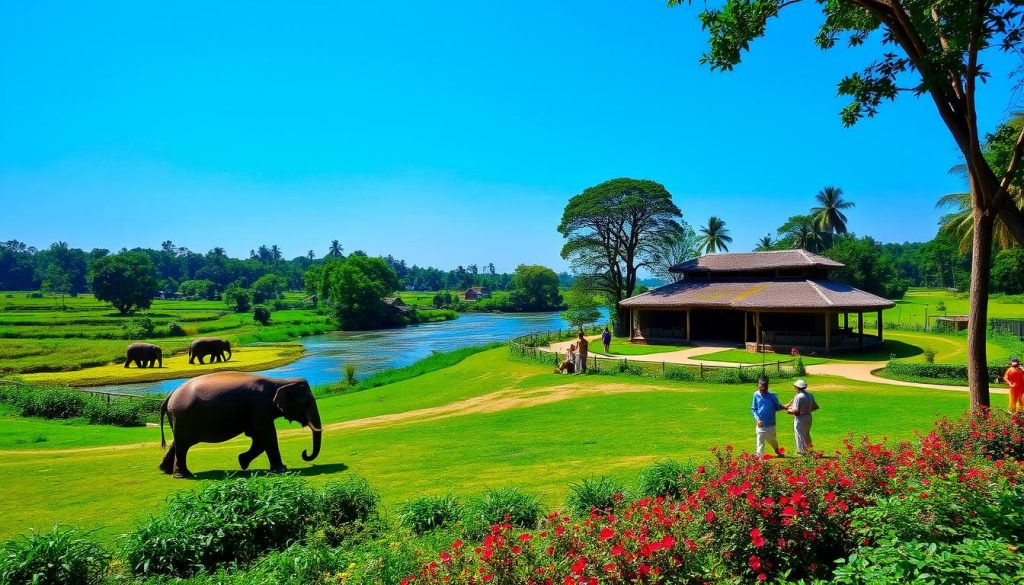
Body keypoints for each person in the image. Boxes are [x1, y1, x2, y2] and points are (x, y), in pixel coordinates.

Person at [751, 376, 785, 458]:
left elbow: (777, 407)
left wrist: (784, 407)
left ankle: (776, 449)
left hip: (771, 423)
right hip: (760, 423)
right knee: (760, 440)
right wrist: (758, 420)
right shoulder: (755, 394)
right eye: (760, 388)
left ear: (767, 387)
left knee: (771, 439)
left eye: (764, 388)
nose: (762, 390)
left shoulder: (772, 395)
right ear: (758, 386)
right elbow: (754, 409)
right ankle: (760, 457)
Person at [785, 379, 819, 455]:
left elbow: (796, 411)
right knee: (806, 434)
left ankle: (802, 451)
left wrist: (788, 411)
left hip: (800, 418)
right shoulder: (810, 395)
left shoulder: (798, 396)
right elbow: (816, 407)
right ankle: (809, 449)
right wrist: (807, 410)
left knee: (800, 434)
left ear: (797, 387)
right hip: (809, 417)